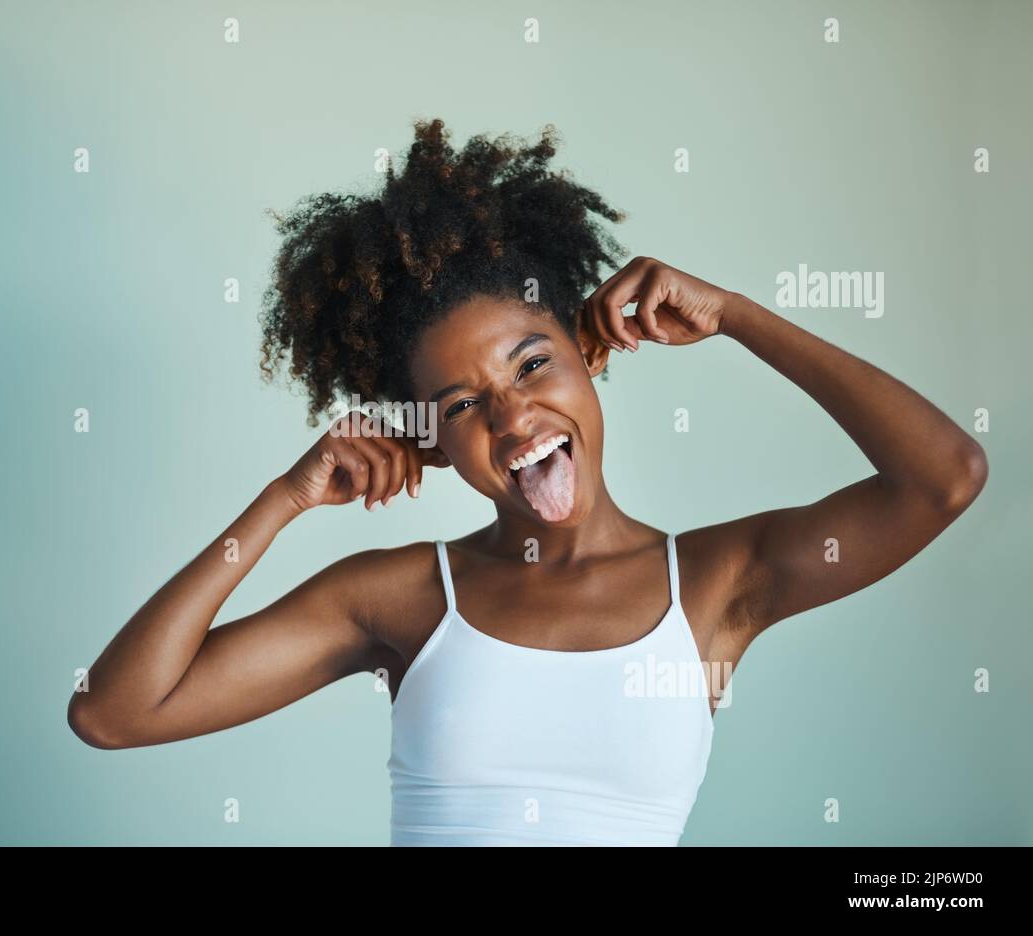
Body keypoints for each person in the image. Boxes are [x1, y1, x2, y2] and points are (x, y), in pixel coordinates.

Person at [67, 118, 988, 845]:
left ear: (593, 358)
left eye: (533, 365)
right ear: (430, 431)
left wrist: (738, 316)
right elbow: (113, 713)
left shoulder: (713, 586)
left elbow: (944, 477)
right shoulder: (396, 596)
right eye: (463, 406)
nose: (512, 419)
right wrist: (284, 499)